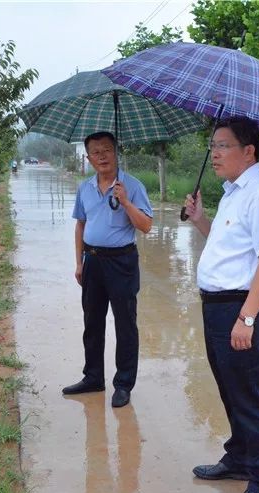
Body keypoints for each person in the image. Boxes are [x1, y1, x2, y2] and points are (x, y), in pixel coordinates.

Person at [183, 116, 259, 493]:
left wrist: (245, 319)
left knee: (249, 397)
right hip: (218, 306)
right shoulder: (233, 192)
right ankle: (240, 457)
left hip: (242, 308)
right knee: (230, 391)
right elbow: (230, 248)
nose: (214, 154)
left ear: (249, 151)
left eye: (223, 146)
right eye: (212, 146)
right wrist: (199, 221)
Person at [62, 131, 153, 408]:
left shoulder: (132, 186)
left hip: (121, 262)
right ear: (88, 158)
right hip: (92, 261)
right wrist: (79, 262)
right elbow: (81, 224)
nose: (102, 156)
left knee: (125, 324)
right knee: (92, 322)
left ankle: (123, 384)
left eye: (107, 150)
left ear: (116, 153)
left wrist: (125, 201)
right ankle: (93, 377)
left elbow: (146, 226)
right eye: (95, 152)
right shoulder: (84, 188)